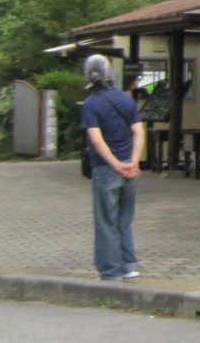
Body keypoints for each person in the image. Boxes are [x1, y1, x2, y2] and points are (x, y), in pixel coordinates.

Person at [81, 54, 145, 281]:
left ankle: (110, 270)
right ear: (109, 73)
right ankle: (129, 266)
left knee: (106, 220)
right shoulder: (126, 100)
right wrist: (133, 162)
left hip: (106, 169)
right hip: (130, 169)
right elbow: (138, 131)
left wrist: (116, 165)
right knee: (124, 219)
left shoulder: (90, 104)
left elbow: (97, 141)